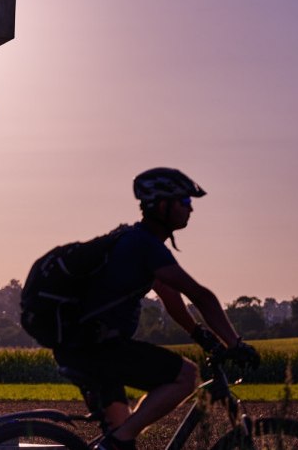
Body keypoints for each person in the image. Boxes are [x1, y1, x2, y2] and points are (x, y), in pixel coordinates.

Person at [55, 168, 260, 450]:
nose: (190, 209)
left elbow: (169, 295)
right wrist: (235, 343)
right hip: (95, 349)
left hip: (82, 347)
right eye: (184, 202)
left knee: (122, 435)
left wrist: (199, 334)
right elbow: (200, 296)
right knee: (186, 376)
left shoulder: (134, 241)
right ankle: (117, 441)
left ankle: (116, 442)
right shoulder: (145, 246)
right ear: (161, 206)